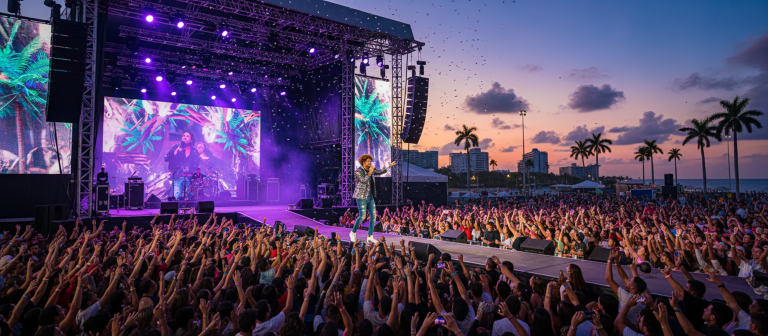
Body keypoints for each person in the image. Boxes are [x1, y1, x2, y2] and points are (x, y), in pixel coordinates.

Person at [349, 154, 396, 243]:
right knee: (362, 216)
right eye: (368, 161)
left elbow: (380, 171)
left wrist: (389, 166)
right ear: (363, 162)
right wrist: (370, 172)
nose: (370, 162)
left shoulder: (371, 169)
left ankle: (370, 236)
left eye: (370, 161)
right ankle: (353, 232)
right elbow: (364, 180)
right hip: (361, 196)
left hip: (370, 196)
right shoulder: (358, 171)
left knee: (373, 216)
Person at [165, 131, 200, 198]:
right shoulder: (176, 147)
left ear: (191, 140)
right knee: (176, 198)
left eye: (187, 136)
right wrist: (175, 152)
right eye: (184, 135)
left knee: (189, 199)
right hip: (178, 178)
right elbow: (166, 158)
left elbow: (196, 166)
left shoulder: (194, 152)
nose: (185, 137)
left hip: (190, 179)